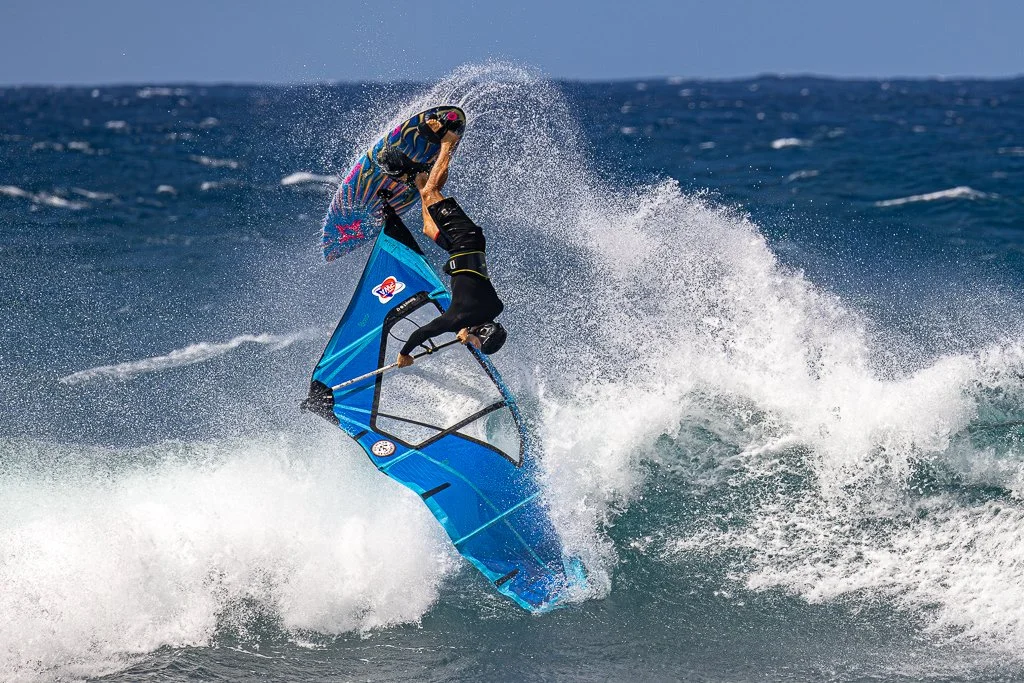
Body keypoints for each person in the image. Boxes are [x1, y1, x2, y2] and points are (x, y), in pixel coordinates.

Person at [375, 117, 507, 368]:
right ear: (483, 333)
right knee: (431, 194)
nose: (471, 344)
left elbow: (477, 305)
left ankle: (417, 175)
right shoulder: (456, 319)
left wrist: (467, 328)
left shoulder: (494, 308)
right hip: (464, 239)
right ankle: (447, 141)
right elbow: (420, 334)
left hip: (462, 246)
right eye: (476, 343)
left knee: (428, 228)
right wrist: (405, 354)